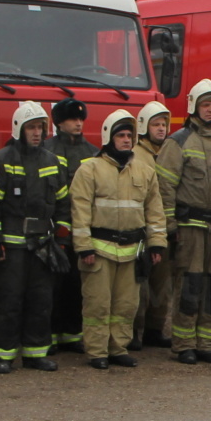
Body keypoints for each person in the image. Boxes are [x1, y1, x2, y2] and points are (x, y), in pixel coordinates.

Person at [156, 79, 211, 364]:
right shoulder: (177, 142)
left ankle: (208, 344)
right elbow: (164, 188)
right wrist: (170, 228)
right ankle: (183, 345)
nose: (210, 110)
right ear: (194, 107)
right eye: (205, 105)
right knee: (190, 286)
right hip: (190, 229)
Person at [68, 109, 166, 368]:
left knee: (126, 305)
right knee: (98, 305)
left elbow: (154, 210)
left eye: (129, 135)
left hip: (132, 251)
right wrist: (83, 247)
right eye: (120, 135)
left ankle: (118, 348)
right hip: (99, 251)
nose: (125, 139)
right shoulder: (89, 170)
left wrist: (157, 243)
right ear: (108, 137)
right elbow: (79, 212)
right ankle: (97, 352)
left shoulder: (145, 171)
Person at [0, 101, 72, 373]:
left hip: (43, 245)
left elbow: (64, 204)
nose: (36, 133)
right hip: (12, 247)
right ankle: (2, 355)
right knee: (9, 300)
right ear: (19, 128)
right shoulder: (0, 160)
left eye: (40, 128)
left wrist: (62, 239)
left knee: (41, 301)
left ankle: (35, 353)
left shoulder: (52, 162)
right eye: (31, 127)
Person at [48, 98, 97, 353]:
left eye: (80, 119)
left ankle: (72, 333)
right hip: (55, 227)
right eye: (72, 119)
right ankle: (51, 333)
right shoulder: (48, 150)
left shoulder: (91, 152)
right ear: (59, 122)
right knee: (53, 283)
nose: (78, 123)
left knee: (76, 285)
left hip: (81, 226)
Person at [132, 100, 176, 348]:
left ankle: (154, 330)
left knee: (162, 284)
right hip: (142, 229)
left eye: (164, 124)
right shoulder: (136, 155)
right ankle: (133, 332)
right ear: (143, 127)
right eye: (156, 124)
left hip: (165, 229)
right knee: (140, 286)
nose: (161, 129)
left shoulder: (170, 151)